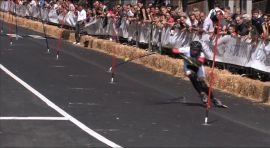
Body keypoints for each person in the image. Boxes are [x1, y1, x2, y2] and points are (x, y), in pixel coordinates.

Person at [172, 41, 227, 107]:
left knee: (203, 84)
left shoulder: (201, 54)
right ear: (190, 48)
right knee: (192, 76)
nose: (195, 52)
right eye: (193, 50)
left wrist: (190, 59)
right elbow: (174, 49)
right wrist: (179, 53)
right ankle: (202, 94)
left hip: (198, 67)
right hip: (188, 67)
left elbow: (199, 64)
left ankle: (213, 99)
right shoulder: (186, 49)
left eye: (197, 50)